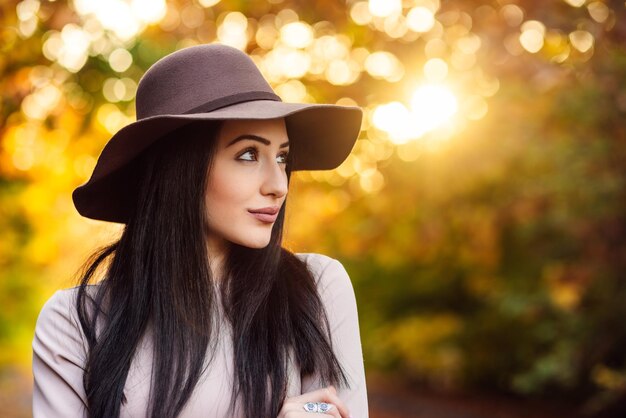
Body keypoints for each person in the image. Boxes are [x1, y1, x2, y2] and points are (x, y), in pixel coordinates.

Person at [31, 43, 368, 418]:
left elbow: (340, 410)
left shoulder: (315, 290)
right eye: (248, 155)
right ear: (181, 170)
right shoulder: (75, 323)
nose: (279, 185)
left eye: (282, 157)